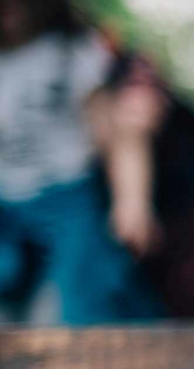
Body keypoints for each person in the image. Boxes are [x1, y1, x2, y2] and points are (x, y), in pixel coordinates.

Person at [0, 0, 164, 324]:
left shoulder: (73, 51)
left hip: (67, 193)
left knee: (83, 289)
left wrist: (132, 201)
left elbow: (119, 133)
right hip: (6, 199)